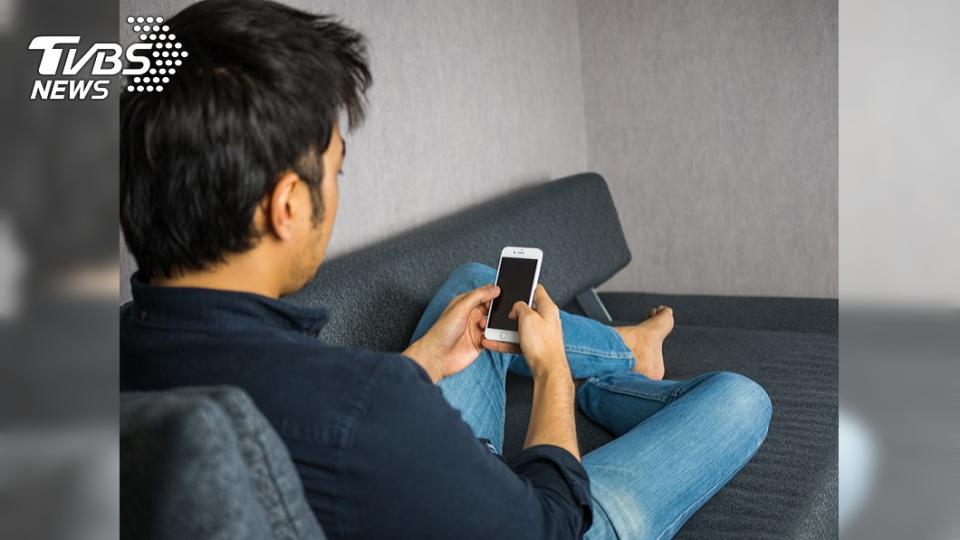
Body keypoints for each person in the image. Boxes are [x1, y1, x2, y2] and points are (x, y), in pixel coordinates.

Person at [119, 1, 772, 538]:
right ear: (288, 205)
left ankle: (626, 350)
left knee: (473, 286)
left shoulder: (113, 356)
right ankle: (604, 361)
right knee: (741, 399)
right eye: (336, 169)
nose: (337, 190)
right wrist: (548, 377)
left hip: (417, 483)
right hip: (530, 516)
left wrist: (422, 364)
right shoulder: (368, 403)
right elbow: (551, 525)